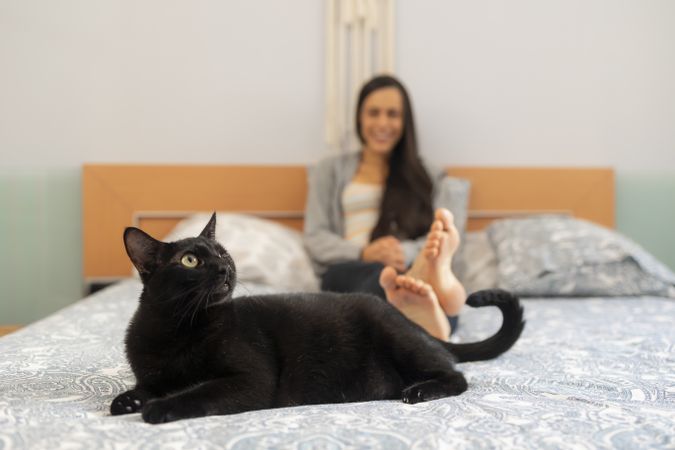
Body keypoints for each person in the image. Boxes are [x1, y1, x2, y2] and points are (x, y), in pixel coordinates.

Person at [303, 75, 467, 341]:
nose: (382, 123)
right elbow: (315, 237)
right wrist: (365, 252)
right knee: (386, 278)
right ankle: (428, 321)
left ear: (405, 122)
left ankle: (429, 300)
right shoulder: (329, 171)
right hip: (349, 269)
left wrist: (404, 253)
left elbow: (439, 238)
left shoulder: (428, 176)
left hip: (411, 267)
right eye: (373, 113)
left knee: (416, 284)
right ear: (359, 118)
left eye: (392, 114)